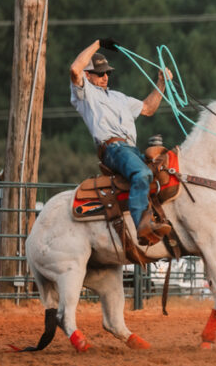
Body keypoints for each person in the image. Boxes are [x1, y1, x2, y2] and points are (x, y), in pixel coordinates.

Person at [69, 38, 172, 243]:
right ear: (88, 75)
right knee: (142, 173)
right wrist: (98, 43)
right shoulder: (85, 94)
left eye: (107, 72)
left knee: (165, 170)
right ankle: (142, 226)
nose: (105, 76)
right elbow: (74, 69)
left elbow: (148, 108)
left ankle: (162, 219)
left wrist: (161, 83)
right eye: (99, 73)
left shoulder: (119, 97)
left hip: (131, 150)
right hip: (113, 149)